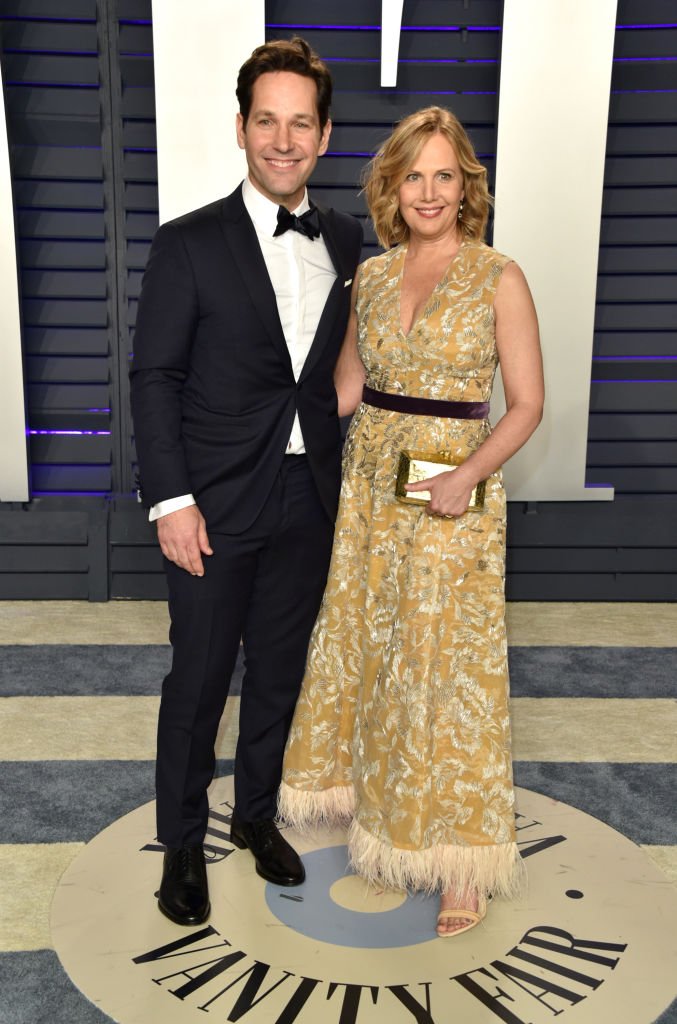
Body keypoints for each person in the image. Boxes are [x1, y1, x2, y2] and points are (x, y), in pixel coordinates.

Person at [279, 106, 543, 937]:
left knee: (443, 671)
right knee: (370, 642)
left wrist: (466, 476)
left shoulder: (499, 276)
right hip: (368, 486)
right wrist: (259, 422)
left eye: (444, 175)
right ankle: (376, 805)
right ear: (391, 186)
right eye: (412, 176)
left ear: (467, 185)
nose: (428, 192)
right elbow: (346, 387)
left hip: (447, 489)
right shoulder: (373, 275)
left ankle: (456, 861)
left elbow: (528, 404)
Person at [130, 37, 363, 926]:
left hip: (308, 501)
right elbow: (154, 379)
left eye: (300, 123)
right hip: (212, 504)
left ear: (324, 136)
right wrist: (172, 500)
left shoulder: (346, 240)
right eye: (266, 120)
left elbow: (346, 365)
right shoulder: (186, 243)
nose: (282, 138)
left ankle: (254, 818)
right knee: (196, 681)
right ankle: (182, 844)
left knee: (277, 674)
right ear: (240, 128)